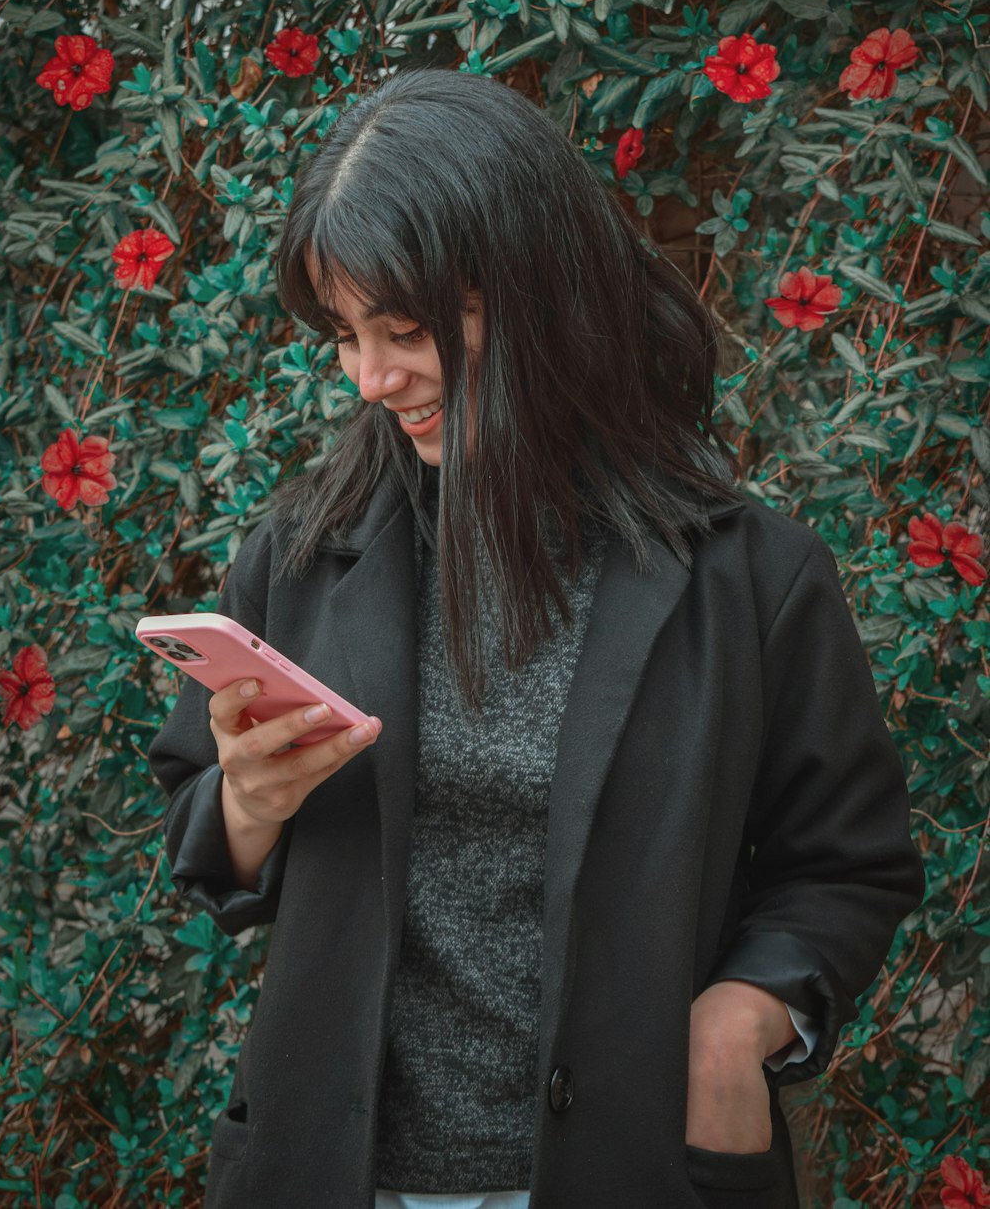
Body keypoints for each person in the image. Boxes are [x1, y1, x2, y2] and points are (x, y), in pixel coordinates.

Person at [147, 68, 926, 1209]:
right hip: (333, 1172)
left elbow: (846, 865)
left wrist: (736, 1027)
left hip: (642, 1166)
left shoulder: (752, 578)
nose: (372, 378)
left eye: (405, 329)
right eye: (347, 335)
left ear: (532, 291)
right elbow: (202, 835)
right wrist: (249, 805)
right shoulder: (306, 554)